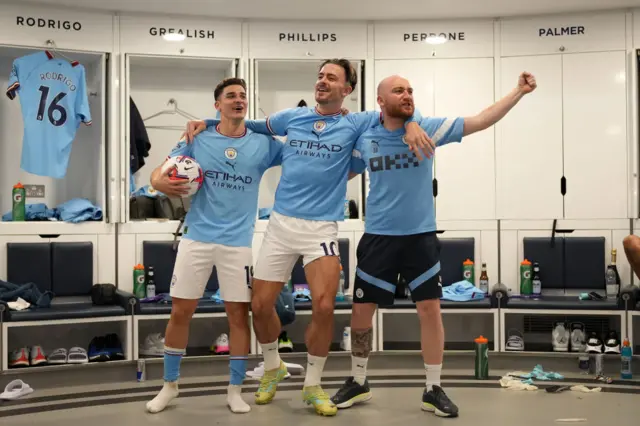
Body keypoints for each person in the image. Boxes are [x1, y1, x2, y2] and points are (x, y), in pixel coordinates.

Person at [184, 58, 433, 417]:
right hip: (281, 225)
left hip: (321, 228)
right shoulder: (291, 117)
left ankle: (313, 384)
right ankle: (273, 367)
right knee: (259, 306)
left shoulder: (357, 121)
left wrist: (410, 124)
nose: (322, 81)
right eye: (320, 76)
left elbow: (395, 106)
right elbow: (245, 124)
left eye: (332, 77)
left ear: (346, 89)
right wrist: (206, 122)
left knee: (325, 305)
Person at [331, 72, 537, 417]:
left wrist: (518, 91)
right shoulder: (366, 136)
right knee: (361, 312)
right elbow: (340, 170)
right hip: (379, 236)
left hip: (420, 238)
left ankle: (432, 388)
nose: (407, 94)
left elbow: (481, 120)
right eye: (399, 90)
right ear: (380, 100)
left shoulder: (428, 128)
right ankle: (358, 380)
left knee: (430, 311)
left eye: (410, 90)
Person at [145, 77, 284, 415]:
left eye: (242, 96)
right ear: (217, 104)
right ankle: (170, 386)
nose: (238, 100)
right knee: (180, 312)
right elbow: (156, 175)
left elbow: (303, 153)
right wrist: (160, 182)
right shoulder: (197, 137)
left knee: (238, 316)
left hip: (237, 244)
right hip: (197, 237)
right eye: (231, 96)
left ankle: (235, 390)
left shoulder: (264, 143)